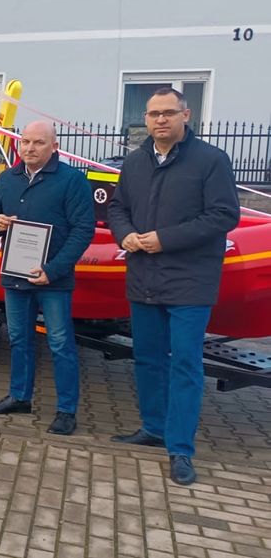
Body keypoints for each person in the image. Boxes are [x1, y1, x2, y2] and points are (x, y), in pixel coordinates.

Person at [107, 87, 240, 485]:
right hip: (144, 277)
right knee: (148, 358)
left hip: (190, 281)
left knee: (185, 364)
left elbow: (223, 215)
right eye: (153, 114)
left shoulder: (211, 160)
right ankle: (153, 427)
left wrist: (165, 239)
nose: (160, 119)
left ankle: (180, 448)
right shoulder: (135, 162)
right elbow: (117, 207)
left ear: (186, 115)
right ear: (146, 119)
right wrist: (125, 234)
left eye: (168, 112)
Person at [0, 120, 95, 435]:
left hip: (53, 279)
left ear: (54, 146)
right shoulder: (8, 179)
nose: (29, 148)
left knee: (60, 343)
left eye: (38, 142)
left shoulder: (72, 180)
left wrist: (53, 269)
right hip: (15, 275)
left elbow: (83, 230)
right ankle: (20, 396)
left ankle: (66, 410)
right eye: (25, 141)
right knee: (19, 338)